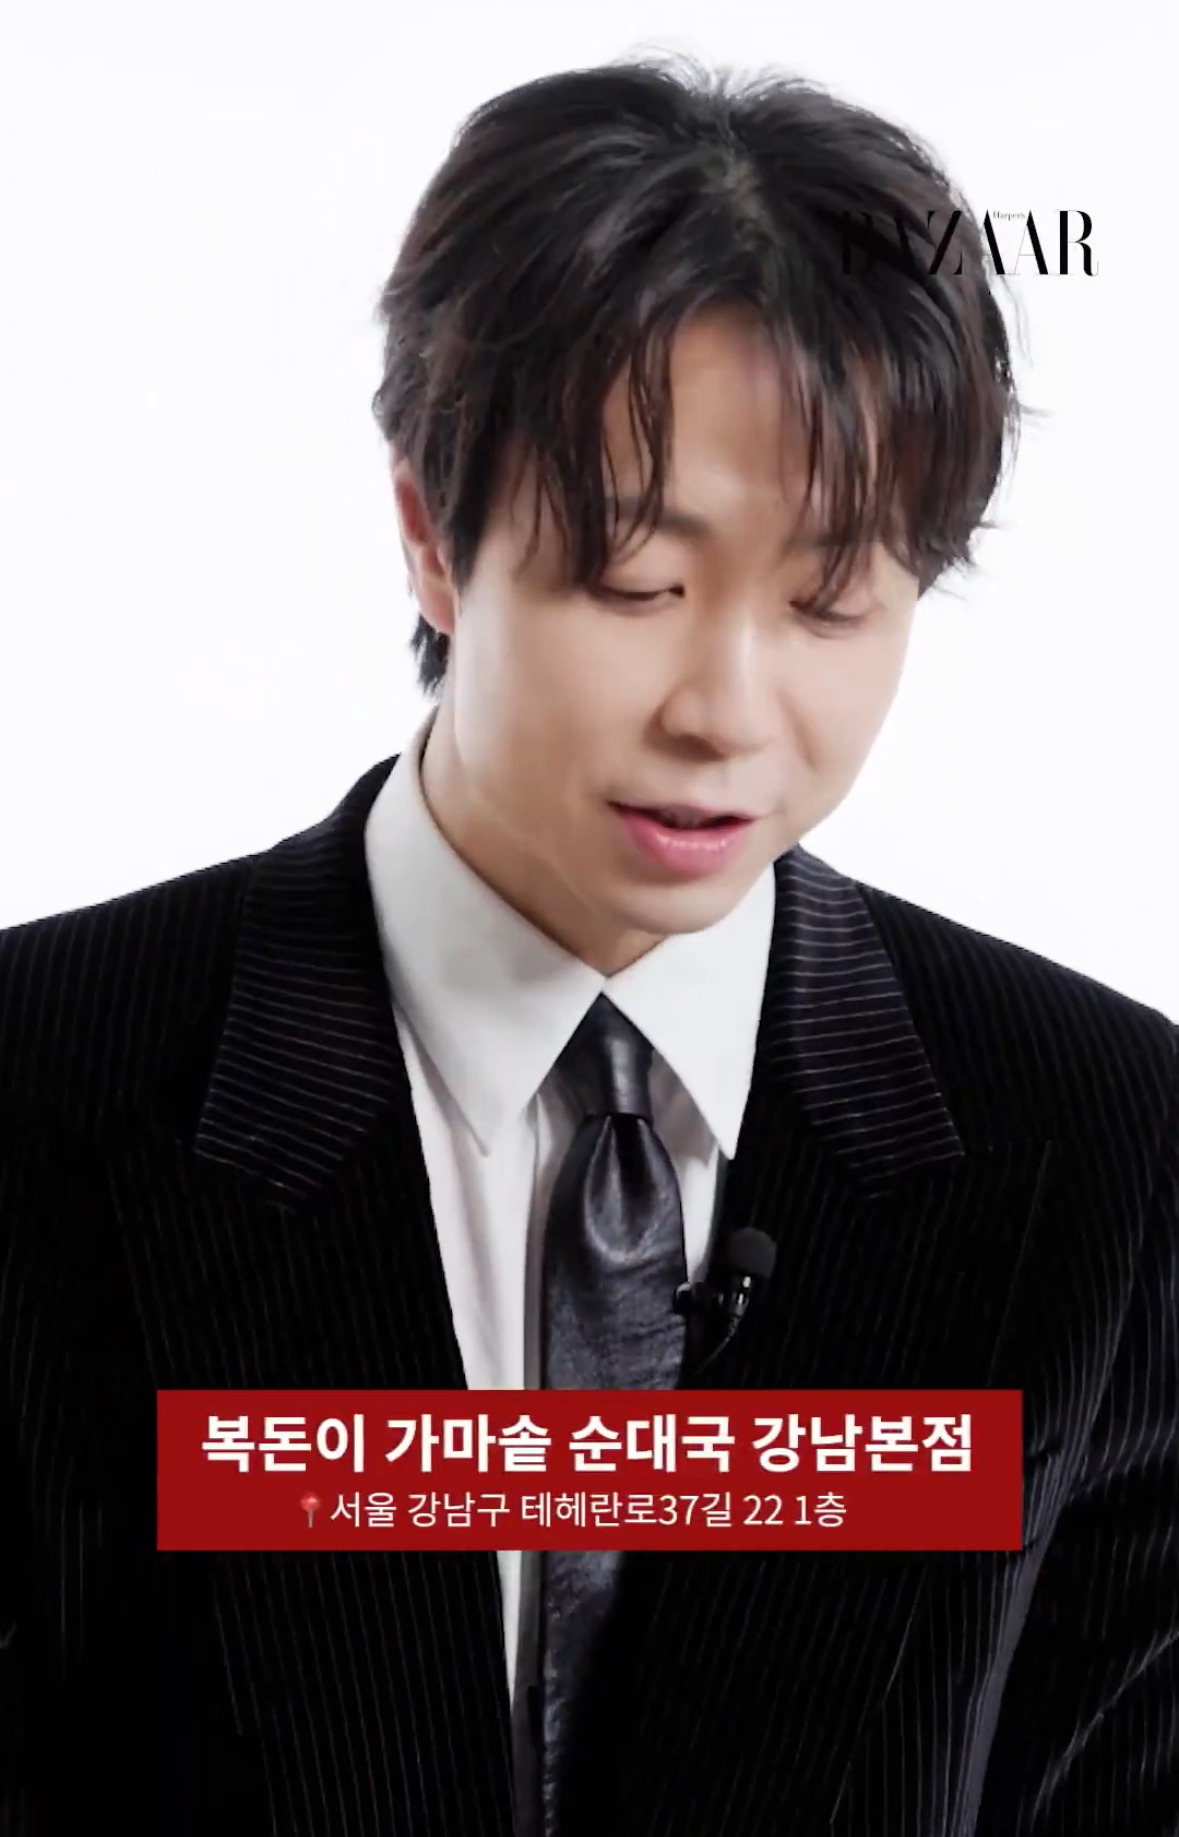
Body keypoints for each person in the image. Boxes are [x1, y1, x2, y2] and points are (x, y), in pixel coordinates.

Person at [0, 50, 1175, 1837]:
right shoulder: (41, 1086)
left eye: (833, 597)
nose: (727, 709)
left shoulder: (1110, 1147)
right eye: (637, 582)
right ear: (432, 535)